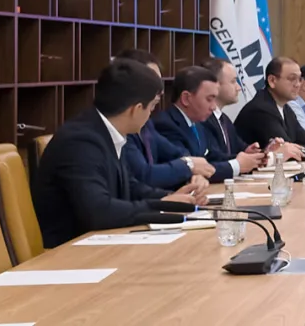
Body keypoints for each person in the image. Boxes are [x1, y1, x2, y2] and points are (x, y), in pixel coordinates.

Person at [32, 59, 206, 248]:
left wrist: (169, 198)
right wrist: (160, 206)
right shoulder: (81, 141)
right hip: (68, 251)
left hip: (98, 243)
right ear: (136, 109)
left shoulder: (105, 131)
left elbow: (129, 185)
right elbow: (99, 211)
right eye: (152, 106)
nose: (151, 114)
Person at [115, 49, 212, 191]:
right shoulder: (121, 126)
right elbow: (145, 175)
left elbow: (177, 153)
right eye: (152, 82)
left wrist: (193, 170)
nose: (161, 91)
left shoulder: (147, 124)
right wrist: (189, 166)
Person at [154, 66, 264, 182]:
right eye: (209, 99)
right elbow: (192, 168)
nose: (213, 107)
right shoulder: (166, 125)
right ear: (186, 98)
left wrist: (250, 159)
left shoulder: (198, 124)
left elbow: (212, 157)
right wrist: (237, 165)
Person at [200, 58, 302, 162]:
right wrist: (268, 157)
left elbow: (243, 151)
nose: (239, 87)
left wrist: (265, 151)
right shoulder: (203, 120)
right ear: (214, 85)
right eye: (233, 81)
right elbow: (215, 160)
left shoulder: (224, 120)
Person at [234, 57, 305, 147]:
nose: (297, 84)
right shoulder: (260, 110)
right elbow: (285, 148)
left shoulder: (286, 109)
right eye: (292, 78)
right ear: (272, 81)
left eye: (300, 79)